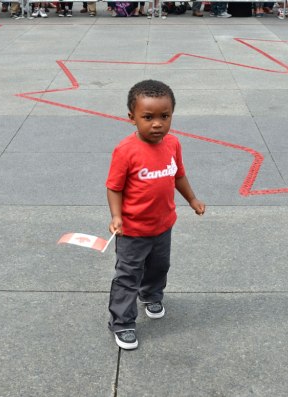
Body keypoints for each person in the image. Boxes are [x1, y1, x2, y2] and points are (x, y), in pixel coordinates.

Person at [106, 80, 206, 350]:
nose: (157, 124)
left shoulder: (172, 144)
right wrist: (116, 216)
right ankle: (123, 322)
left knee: (159, 267)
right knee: (127, 275)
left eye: (165, 116)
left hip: (163, 226)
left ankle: (151, 295)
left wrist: (193, 199)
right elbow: (113, 187)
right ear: (132, 118)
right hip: (133, 231)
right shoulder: (125, 151)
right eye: (148, 117)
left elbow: (179, 176)